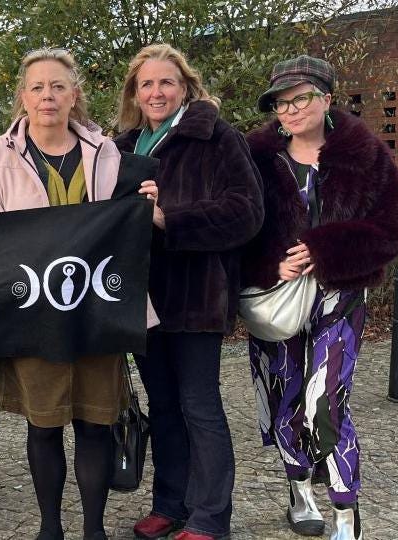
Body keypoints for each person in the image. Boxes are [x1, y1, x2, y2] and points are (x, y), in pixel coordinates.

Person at [0, 47, 160, 540]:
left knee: (95, 423)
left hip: (96, 311)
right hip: (32, 312)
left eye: (58, 86)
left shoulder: (105, 152)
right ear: (23, 97)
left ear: (74, 95)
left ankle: (94, 530)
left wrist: (146, 209)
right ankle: (50, 529)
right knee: (45, 424)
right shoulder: (0, 155)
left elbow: (124, 230)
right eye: (37, 87)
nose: (47, 96)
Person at [243, 55, 398, 540]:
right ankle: (299, 489)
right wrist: (269, 264)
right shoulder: (256, 157)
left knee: (326, 401)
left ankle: (345, 512)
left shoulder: (364, 154)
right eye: (281, 103)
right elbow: (236, 227)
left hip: (340, 297)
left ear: (327, 98)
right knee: (284, 396)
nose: (291, 110)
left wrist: (326, 250)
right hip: (277, 299)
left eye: (301, 98)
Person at [113, 44, 264, 540]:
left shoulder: (217, 137)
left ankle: (210, 517)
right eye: (147, 84)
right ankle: (170, 504)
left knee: (199, 405)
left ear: (185, 87)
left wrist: (170, 218)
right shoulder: (122, 145)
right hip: (142, 299)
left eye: (166, 82)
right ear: (134, 93)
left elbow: (246, 212)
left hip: (197, 295)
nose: (156, 92)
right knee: (163, 406)